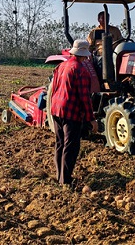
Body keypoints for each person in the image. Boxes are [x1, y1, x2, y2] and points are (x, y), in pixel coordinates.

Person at [50, 39, 98, 187]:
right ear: (85, 55)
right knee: (70, 146)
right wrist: (92, 119)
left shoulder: (61, 66)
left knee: (59, 143)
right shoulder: (81, 71)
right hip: (71, 113)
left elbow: (55, 88)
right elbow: (85, 98)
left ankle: (59, 176)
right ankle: (66, 181)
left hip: (56, 109)